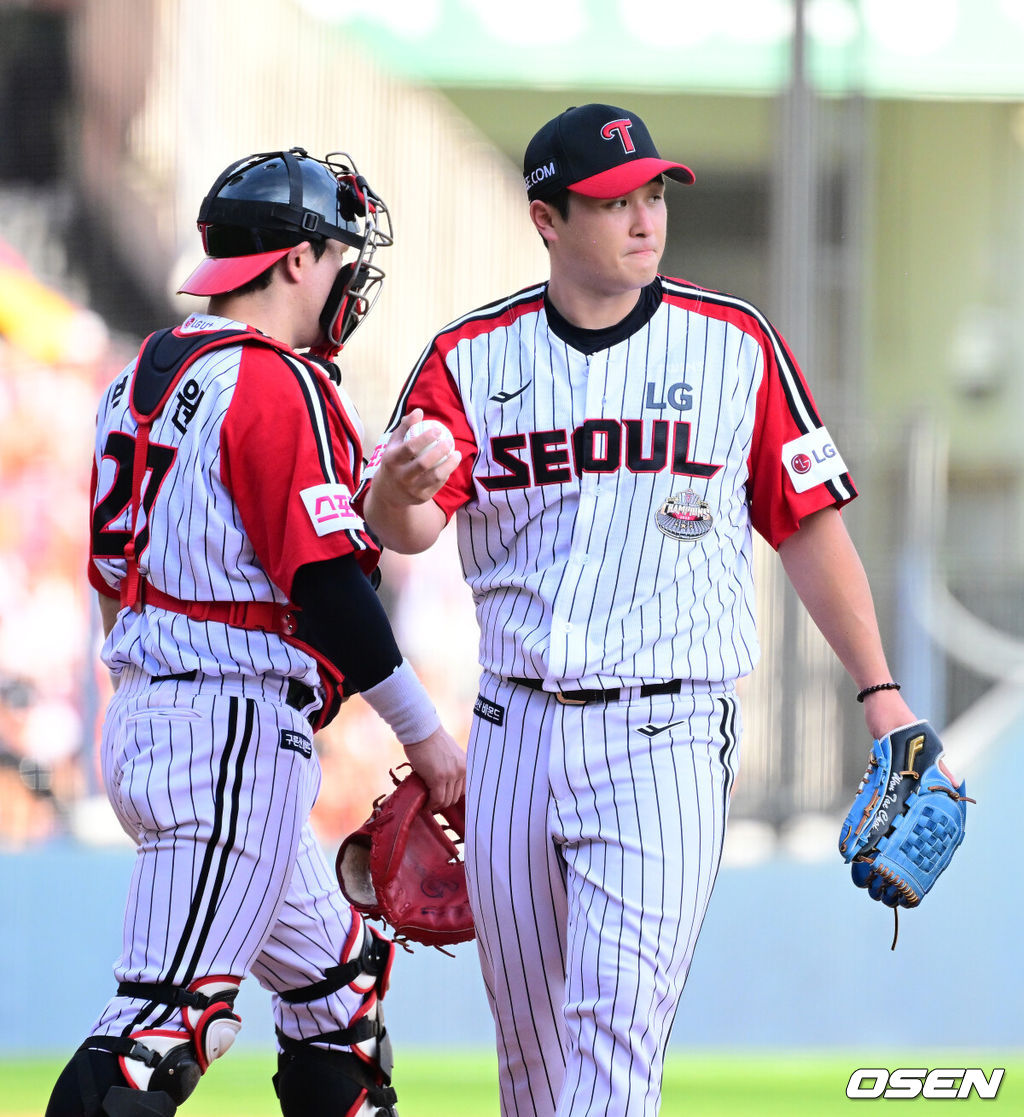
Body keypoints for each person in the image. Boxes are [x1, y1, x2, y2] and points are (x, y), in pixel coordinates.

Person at [358, 105, 920, 1117]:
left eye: (653, 192)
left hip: (663, 730)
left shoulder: (734, 346)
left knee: (614, 1029)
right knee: (529, 1057)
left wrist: (879, 691)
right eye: (615, 199)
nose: (644, 216)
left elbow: (807, 526)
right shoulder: (470, 357)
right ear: (546, 217)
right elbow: (405, 531)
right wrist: (394, 487)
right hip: (514, 730)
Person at [47, 147, 465, 1117]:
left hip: (164, 710)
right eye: (339, 257)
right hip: (230, 730)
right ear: (293, 261)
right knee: (161, 1027)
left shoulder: (141, 377)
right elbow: (321, 580)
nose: (348, 281)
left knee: (340, 986)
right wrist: (426, 736)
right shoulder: (276, 382)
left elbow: (111, 580)